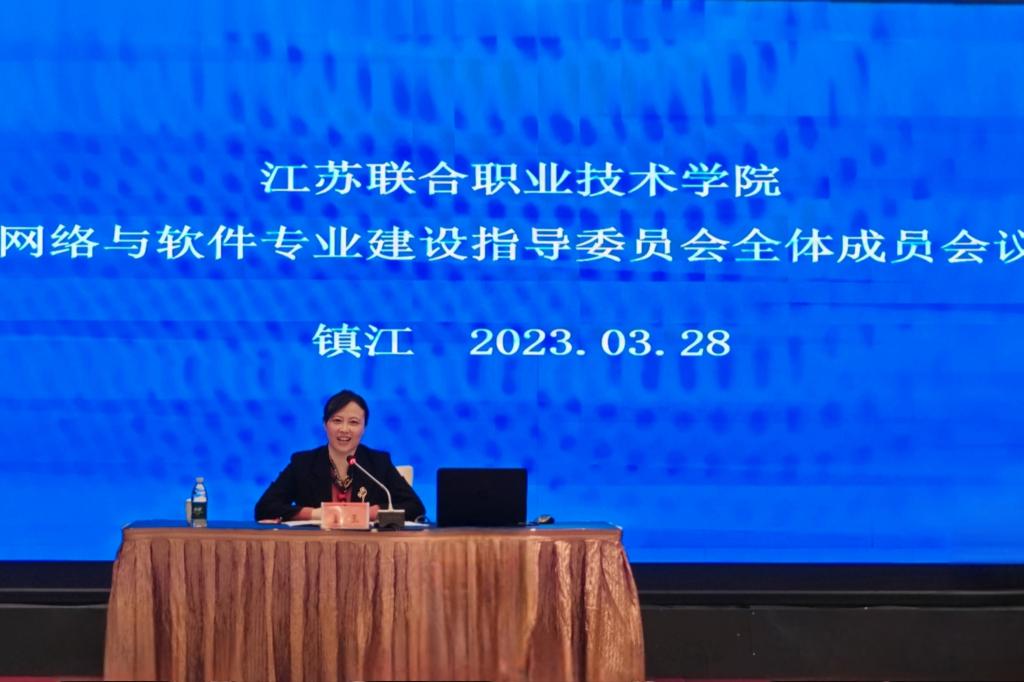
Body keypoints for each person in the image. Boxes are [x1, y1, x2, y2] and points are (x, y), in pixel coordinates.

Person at [255, 389, 425, 523]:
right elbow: (265, 508)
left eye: (353, 422)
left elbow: (415, 508)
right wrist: (316, 514)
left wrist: (369, 513)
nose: (344, 429)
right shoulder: (303, 463)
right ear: (325, 425)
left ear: (364, 428)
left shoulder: (378, 462)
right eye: (337, 421)